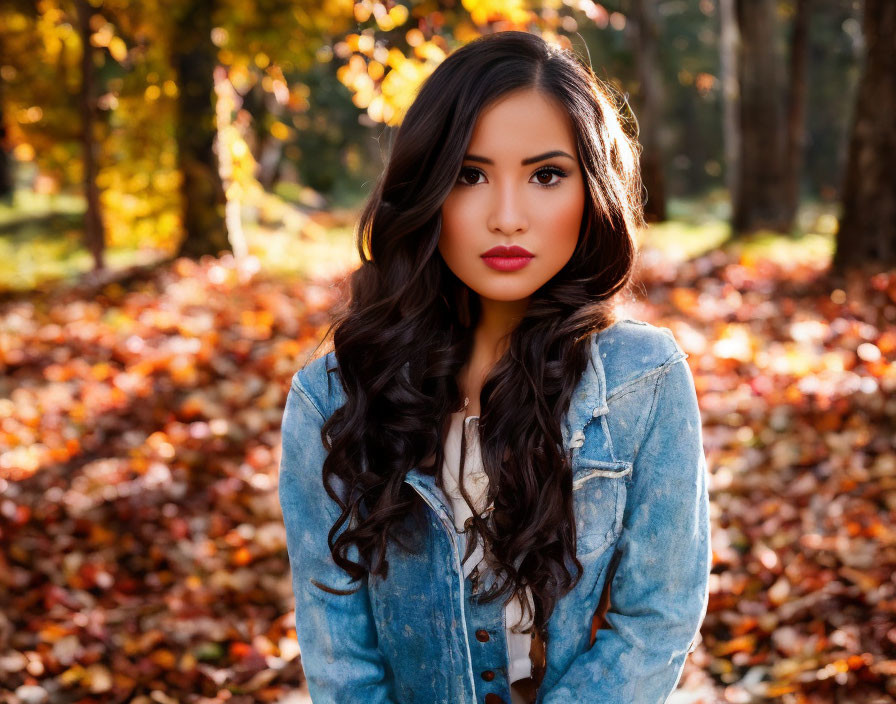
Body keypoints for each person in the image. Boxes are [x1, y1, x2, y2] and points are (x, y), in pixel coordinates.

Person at [278, 29, 711, 704]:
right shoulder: (332, 397)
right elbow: (339, 652)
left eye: (546, 176)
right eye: (469, 175)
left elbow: (657, 619)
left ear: (591, 189)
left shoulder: (642, 380)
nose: (507, 218)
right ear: (426, 190)